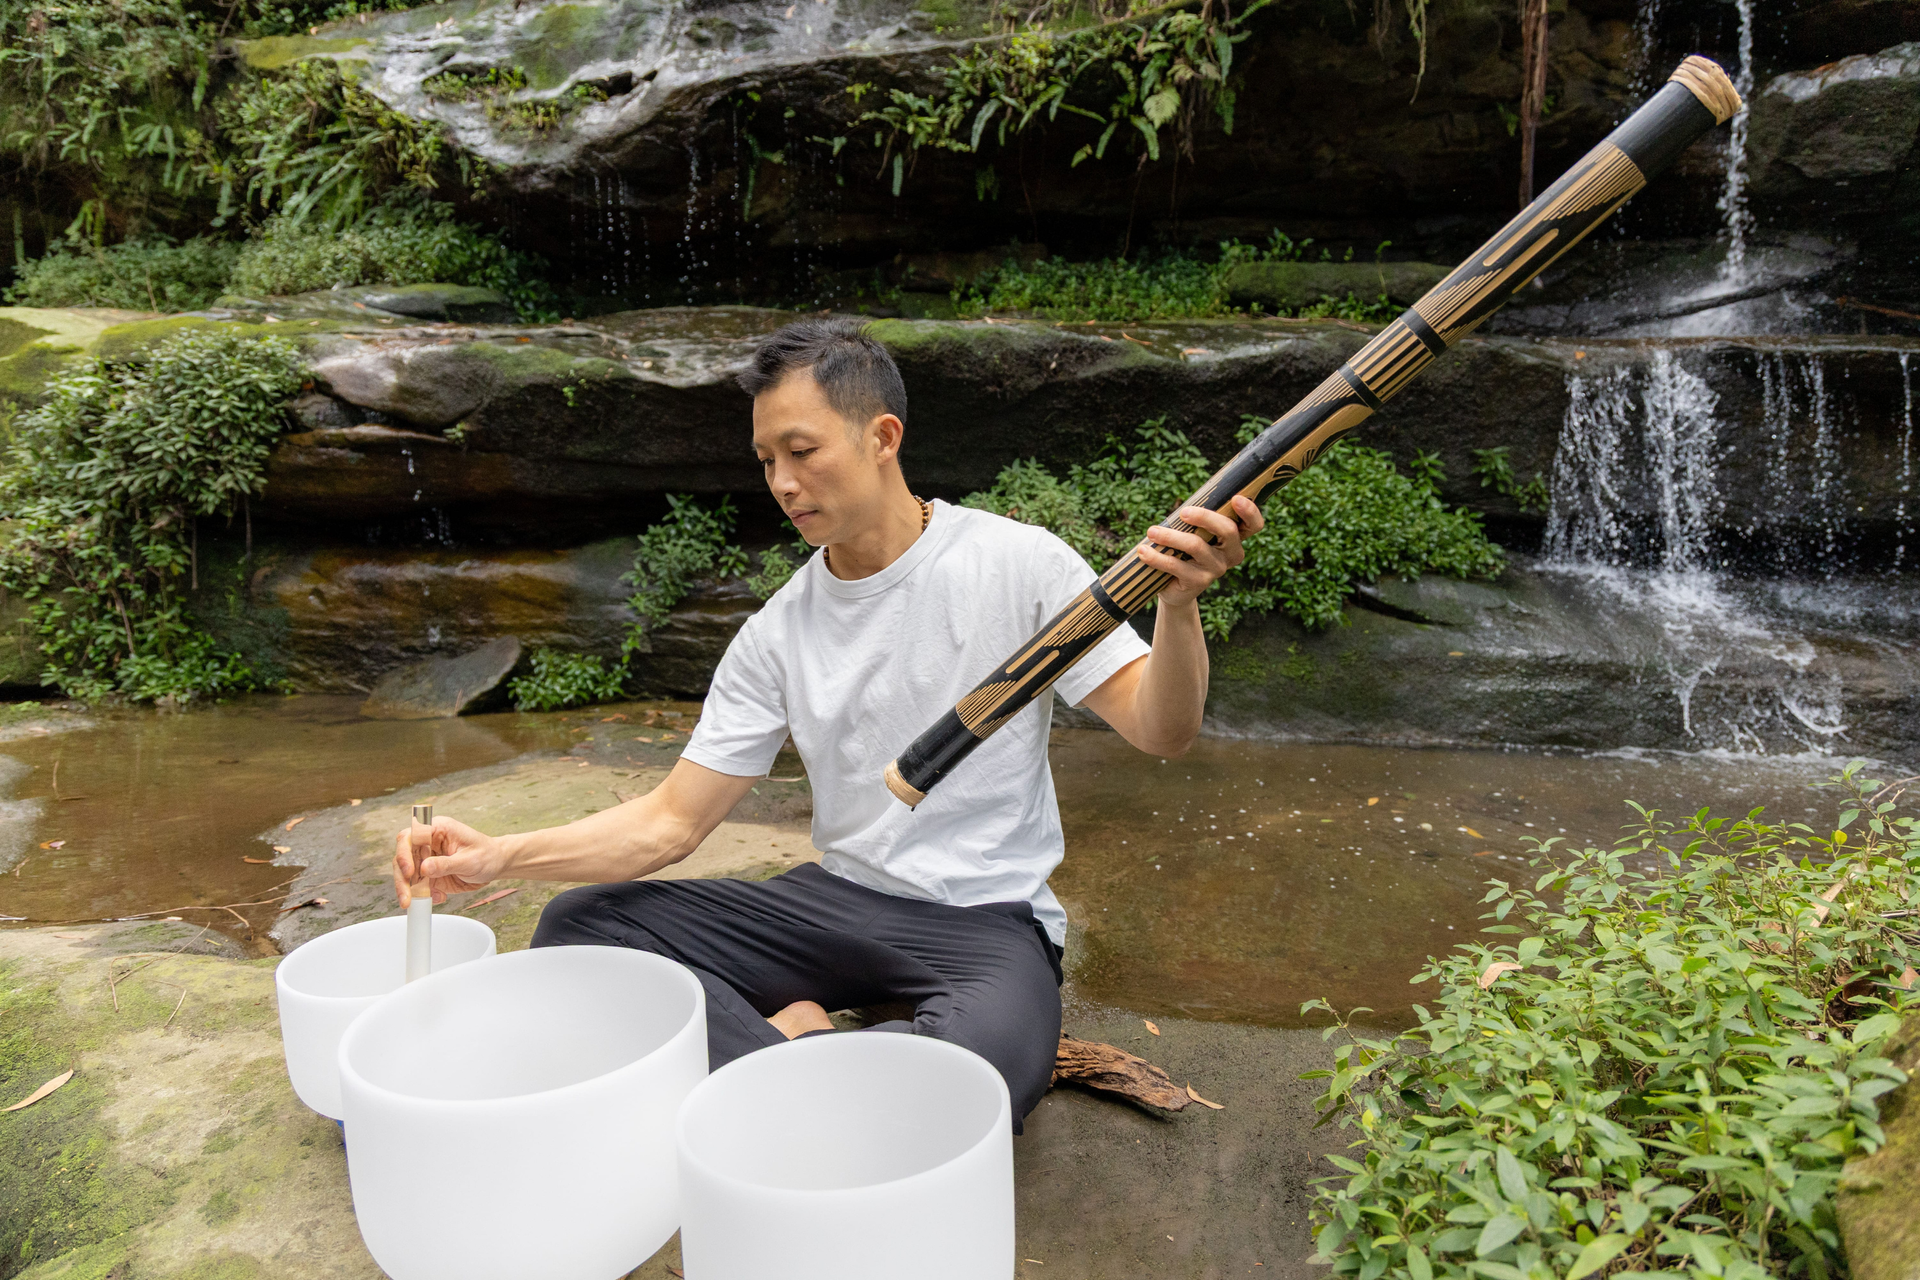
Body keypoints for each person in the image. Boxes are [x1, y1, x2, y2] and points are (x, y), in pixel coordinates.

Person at [391, 316, 1263, 1128]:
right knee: (579, 929)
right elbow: (669, 823)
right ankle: (816, 1070)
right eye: (767, 459)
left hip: (983, 921)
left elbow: (1162, 729)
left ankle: (790, 1063)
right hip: (833, 902)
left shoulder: (1016, 563)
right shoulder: (779, 631)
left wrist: (1179, 610)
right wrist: (497, 857)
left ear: (882, 438)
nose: (782, 482)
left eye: (800, 451)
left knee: (991, 1068)